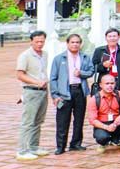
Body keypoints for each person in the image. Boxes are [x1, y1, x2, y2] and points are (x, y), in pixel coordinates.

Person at [49, 33, 94, 155]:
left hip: (80, 90)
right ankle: (60, 146)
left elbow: (91, 71)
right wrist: (55, 95)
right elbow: (53, 78)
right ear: (67, 43)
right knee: (62, 120)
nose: (75, 44)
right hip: (64, 92)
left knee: (79, 119)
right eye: (72, 42)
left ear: (80, 44)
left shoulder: (85, 57)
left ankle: (76, 143)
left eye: (77, 42)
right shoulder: (59, 59)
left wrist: (81, 73)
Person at [16, 30, 50, 161]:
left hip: (43, 91)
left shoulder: (45, 54)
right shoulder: (25, 56)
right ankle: (22, 150)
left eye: (42, 41)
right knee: (28, 122)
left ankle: (34, 147)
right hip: (31, 90)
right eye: (37, 41)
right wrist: (36, 82)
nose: (40, 44)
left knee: (38, 121)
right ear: (31, 41)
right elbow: (20, 75)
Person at [87, 73, 120, 153]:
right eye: (107, 83)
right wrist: (106, 127)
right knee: (102, 137)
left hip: (117, 122)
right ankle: (104, 143)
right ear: (101, 85)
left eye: (112, 83)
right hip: (102, 124)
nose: (110, 86)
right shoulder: (94, 99)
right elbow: (92, 120)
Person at [92, 28, 120, 94]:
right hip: (105, 84)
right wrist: (103, 65)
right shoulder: (99, 50)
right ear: (106, 38)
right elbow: (93, 67)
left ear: (118, 37)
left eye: (114, 36)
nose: (112, 38)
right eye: (110, 36)